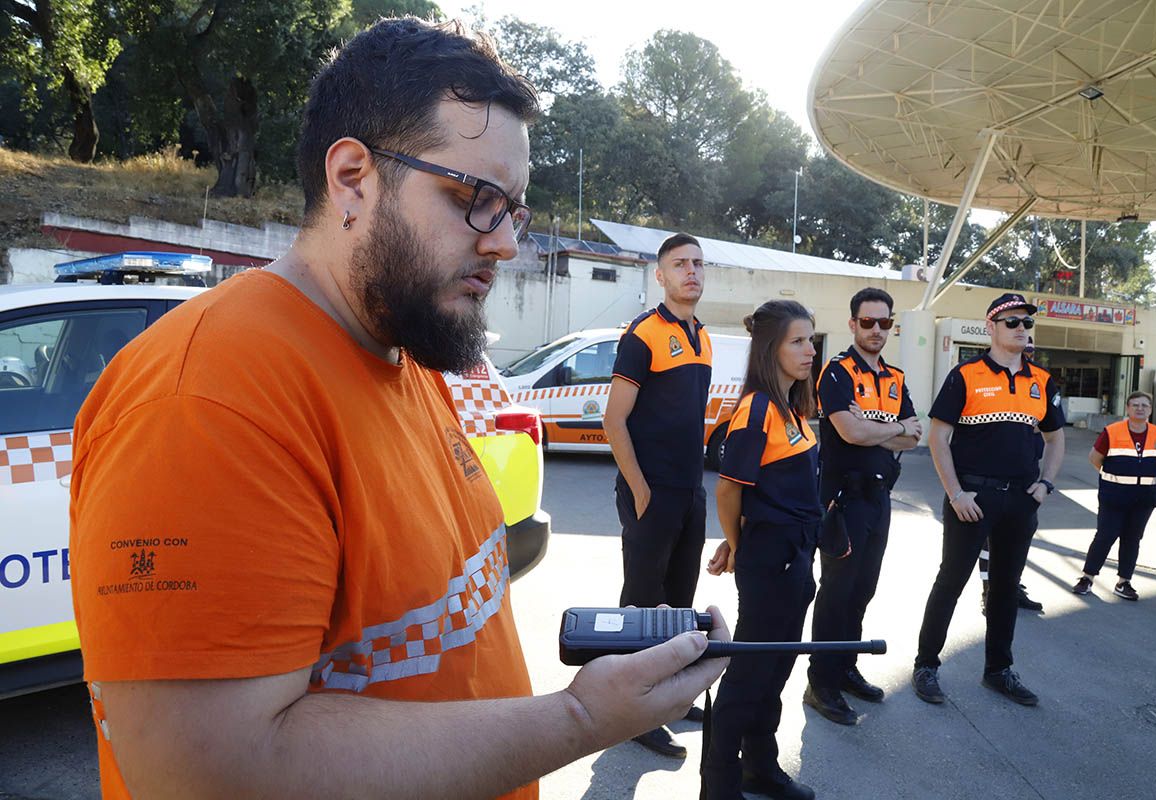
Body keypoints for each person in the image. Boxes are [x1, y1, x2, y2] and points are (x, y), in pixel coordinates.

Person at [68, 19, 729, 799]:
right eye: (475, 200)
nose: (505, 244)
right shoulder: (207, 399)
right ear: (352, 177)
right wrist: (580, 720)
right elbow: (211, 773)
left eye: (513, 210)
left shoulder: (403, 350)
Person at [912, 293, 1065, 708]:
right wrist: (955, 492)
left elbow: (1055, 438)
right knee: (951, 582)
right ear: (991, 327)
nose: (1021, 328)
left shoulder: (1042, 381)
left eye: (1026, 323)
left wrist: (1045, 484)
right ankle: (926, 665)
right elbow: (938, 437)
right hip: (973, 499)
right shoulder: (966, 375)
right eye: (1012, 322)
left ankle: (998, 670)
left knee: (1004, 588)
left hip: (1020, 500)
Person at [703, 300, 820, 800]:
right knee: (749, 677)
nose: (809, 350)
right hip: (771, 561)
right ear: (770, 348)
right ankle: (720, 786)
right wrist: (736, 544)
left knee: (775, 670)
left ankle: (760, 769)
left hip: (795, 554)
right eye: (798, 341)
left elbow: (766, 487)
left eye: (811, 340)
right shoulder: (755, 409)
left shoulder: (791, 407)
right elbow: (729, 489)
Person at [603, 232, 712, 758]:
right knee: (642, 604)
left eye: (697, 263)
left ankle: (668, 697)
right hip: (653, 493)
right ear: (660, 275)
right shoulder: (644, 333)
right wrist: (642, 491)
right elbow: (614, 420)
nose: (691, 271)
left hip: (690, 491)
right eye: (679, 264)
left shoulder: (703, 335)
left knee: (679, 601)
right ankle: (631, 712)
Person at [803, 288, 919, 726]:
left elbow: (915, 436)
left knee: (863, 590)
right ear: (852, 324)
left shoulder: (896, 377)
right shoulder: (835, 373)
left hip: (879, 498)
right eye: (867, 322)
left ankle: (846, 667)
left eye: (884, 323)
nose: (876, 330)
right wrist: (890, 427)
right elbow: (848, 433)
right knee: (836, 593)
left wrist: (874, 425)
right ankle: (821, 684)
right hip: (842, 500)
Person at [1072, 391, 1156, 600]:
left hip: (1145, 499)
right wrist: (1115, 477)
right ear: (1127, 408)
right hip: (1114, 497)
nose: (1140, 408)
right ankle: (1087, 578)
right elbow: (1095, 458)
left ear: (1151, 409)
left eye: (1144, 405)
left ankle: (1124, 582)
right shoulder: (1112, 431)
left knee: (1132, 539)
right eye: (1135, 405)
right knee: (1105, 536)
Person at [978, 335, 1043, 614]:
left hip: (1025, 480)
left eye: (1030, 350)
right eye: (1024, 349)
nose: (1026, 354)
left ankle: (1011, 587)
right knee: (987, 545)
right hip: (989, 480)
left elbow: (1048, 429)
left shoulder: (1037, 382)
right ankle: (988, 593)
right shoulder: (984, 379)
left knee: (1016, 541)